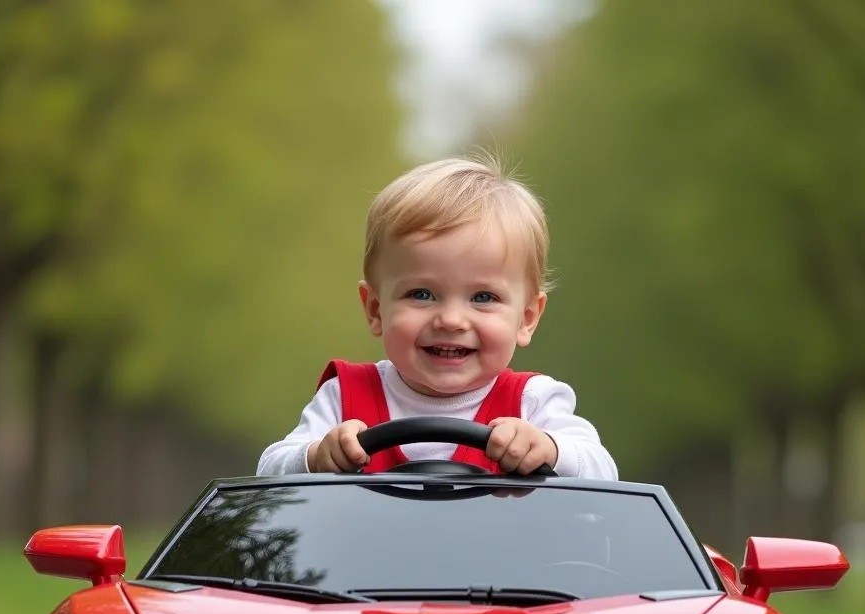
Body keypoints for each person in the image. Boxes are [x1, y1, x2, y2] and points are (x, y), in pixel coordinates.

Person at [256, 153, 618, 479]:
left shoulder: (533, 403)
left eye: (482, 297)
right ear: (375, 309)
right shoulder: (344, 398)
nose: (451, 320)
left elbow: (603, 472)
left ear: (526, 319)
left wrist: (551, 450)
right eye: (422, 294)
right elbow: (269, 470)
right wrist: (316, 455)